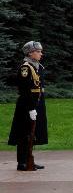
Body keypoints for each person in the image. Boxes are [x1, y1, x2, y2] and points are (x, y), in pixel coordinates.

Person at [8, 41, 48, 171]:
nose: (41, 54)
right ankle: (22, 162)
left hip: (37, 103)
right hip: (26, 105)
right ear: (30, 53)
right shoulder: (25, 68)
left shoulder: (37, 66)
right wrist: (31, 108)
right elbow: (25, 90)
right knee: (24, 133)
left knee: (33, 133)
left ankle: (29, 159)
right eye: (38, 51)